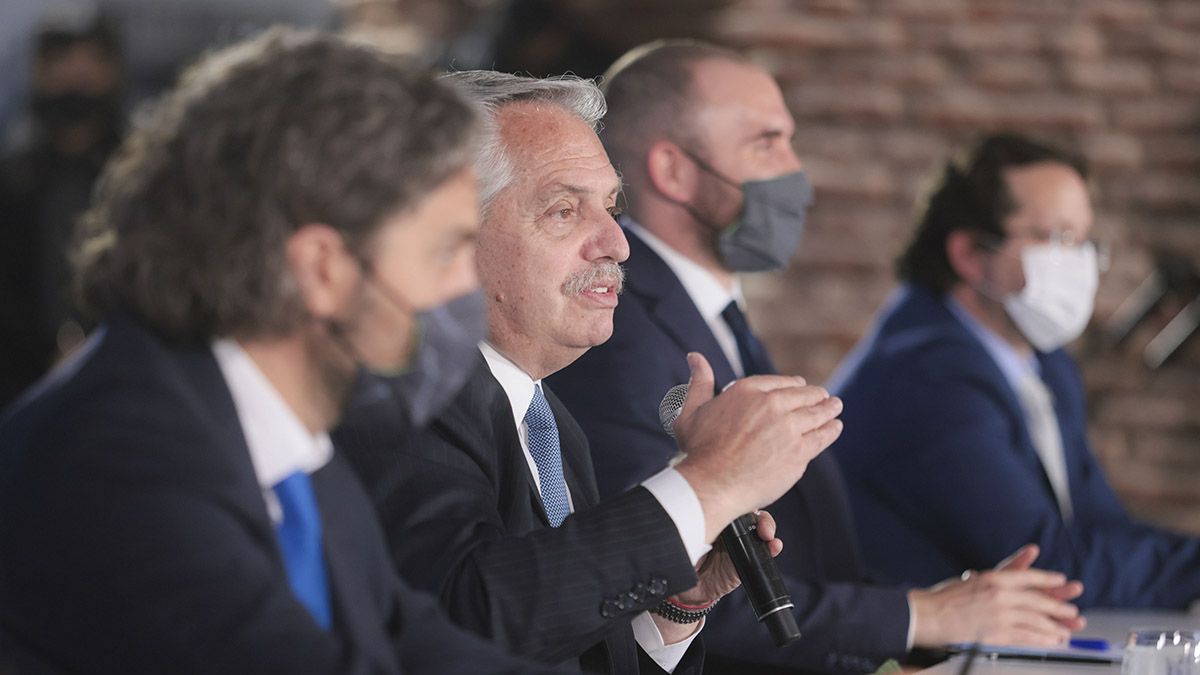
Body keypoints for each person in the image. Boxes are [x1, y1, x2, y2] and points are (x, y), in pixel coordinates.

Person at [0, 29, 571, 674]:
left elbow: (407, 640)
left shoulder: (275, 430)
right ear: (322, 268)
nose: (467, 286)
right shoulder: (118, 459)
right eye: (445, 251)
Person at [548, 41, 1086, 674]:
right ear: (674, 172)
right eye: (767, 143)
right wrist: (921, 616)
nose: (796, 172)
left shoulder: (713, 309)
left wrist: (937, 610)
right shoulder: (621, 329)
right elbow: (656, 578)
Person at [334, 70, 843, 674]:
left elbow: (554, 643)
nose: (616, 243)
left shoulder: (551, 423)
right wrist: (709, 484)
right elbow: (464, 623)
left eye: (610, 207)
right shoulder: (401, 394)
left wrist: (675, 605)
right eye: (563, 211)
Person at [828, 132, 1200, 610]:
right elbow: (1045, 566)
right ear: (969, 255)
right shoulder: (926, 374)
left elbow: (1098, 525)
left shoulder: (1046, 365)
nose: (1080, 261)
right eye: (1057, 237)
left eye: (1085, 240)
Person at [0, 13, 125, 408]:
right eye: (61, 59)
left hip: (122, 384)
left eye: (90, 59)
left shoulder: (143, 176)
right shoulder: (13, 181)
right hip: (19, 388)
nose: (75, 74)